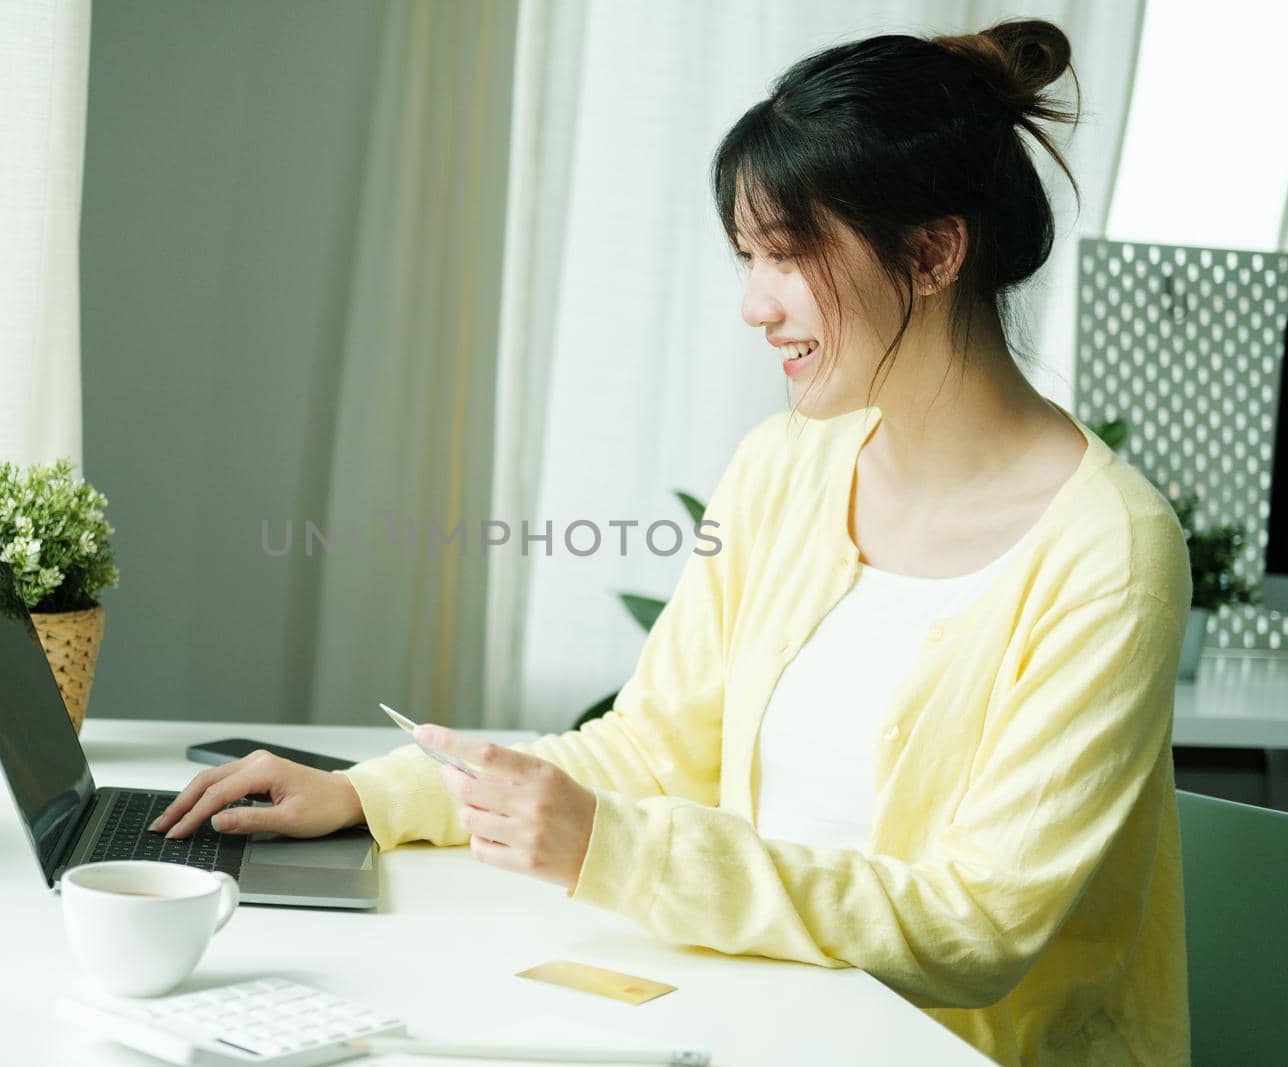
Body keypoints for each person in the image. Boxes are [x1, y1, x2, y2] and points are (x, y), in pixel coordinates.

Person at [151, 19, 1190, 1066]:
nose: (753, 304)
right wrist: (367, 794)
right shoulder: (783, 466)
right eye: (748, 257)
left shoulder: (1110, 552)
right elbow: (650, 747)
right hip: (757, 1020)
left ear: (931, 252)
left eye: (787, 256)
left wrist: (615, 847)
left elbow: (977, 927)